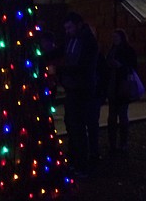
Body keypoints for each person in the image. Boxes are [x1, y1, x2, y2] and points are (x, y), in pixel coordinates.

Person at [59, 12, 102, 176]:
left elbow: (83, 66)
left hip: (82, 89)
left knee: (77, 127)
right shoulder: (74, 39)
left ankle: (81, 164)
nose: (67, 31)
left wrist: (61, 70)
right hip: (74, 88)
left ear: (77, 25)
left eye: (69, 27)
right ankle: (76, 161)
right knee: (72, 125)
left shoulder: (87, 42)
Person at [106, 28, 137, 155]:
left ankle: (122, 143)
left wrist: (121, 66)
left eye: (116, 38)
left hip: (122, 86)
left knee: (122, 116)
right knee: (112, 117)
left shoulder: (127, 51)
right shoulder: (112, 51)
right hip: (113, 86)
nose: (114, 40)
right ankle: (113, 143)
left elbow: (133, 67)